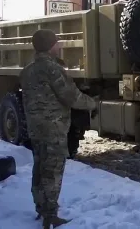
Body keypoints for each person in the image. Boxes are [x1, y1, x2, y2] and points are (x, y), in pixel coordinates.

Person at [20, 29, 98, 228]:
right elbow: (71, 96)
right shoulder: (52, 69)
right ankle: (50, 216)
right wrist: (93, 104)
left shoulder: (27, 70)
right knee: (53, 172)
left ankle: (40, 207)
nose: (60, 46)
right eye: (57, 43)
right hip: (53, 129)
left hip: (36, 129)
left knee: (39, 167)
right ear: (49, 46)